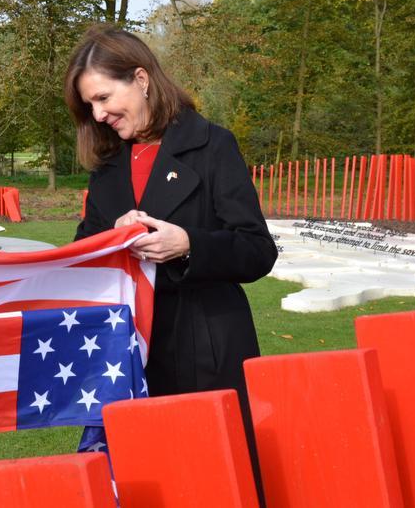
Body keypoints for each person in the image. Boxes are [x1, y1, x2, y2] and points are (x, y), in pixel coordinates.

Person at [65, 25, 277, 493]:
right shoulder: (107, 167)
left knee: (218, 484)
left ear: (140, 78)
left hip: (208, 350)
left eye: (103, 98)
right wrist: (109, 240)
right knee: (147, 485)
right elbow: (80, 254)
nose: (98, 115)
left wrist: (189, 244)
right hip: (130, 356)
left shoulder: (214, 145)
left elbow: (258, 250)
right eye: (90, 107)